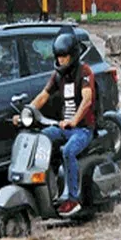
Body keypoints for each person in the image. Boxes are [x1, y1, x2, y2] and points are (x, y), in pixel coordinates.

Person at [13, 33, 95, 216]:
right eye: (58, 56)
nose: (60, 60)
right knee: (40, 139)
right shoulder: (58, 75)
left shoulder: (85, 72)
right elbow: (43, 96)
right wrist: (26, 113)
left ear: (73, 55)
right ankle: (48, 191)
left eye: (64, 56)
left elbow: (87, 100)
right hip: (63, 127)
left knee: (68, 151)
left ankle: (73, 199)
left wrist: (74, 120)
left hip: (82, 129)